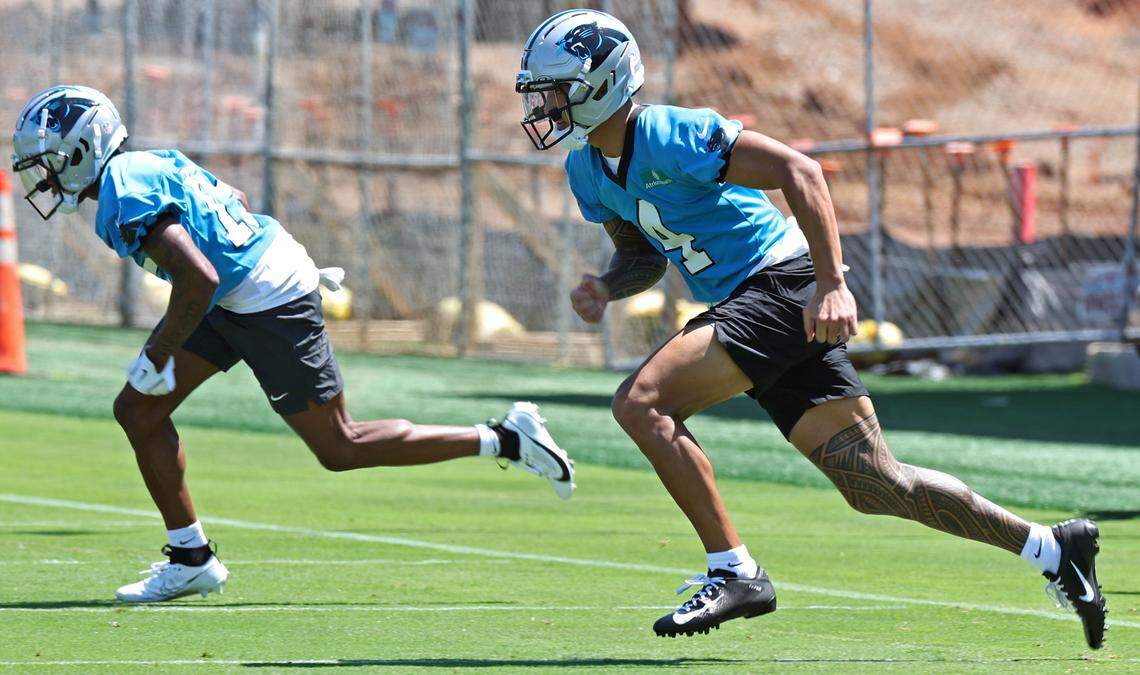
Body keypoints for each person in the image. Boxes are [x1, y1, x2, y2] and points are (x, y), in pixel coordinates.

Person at [515, 9, 1106, 647]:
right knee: (875, 483)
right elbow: (642, 255)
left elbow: (801, 171)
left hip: (780, 285)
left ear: (601, 83)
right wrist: (608, 286)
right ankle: (1052, 548)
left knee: (642, 403)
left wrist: (831, 284)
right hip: (754, 304)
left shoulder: (669, 132)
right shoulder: (586, 170)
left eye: (555, 90)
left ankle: (735, 571)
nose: (544, 106)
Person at [10, 85, 575, 603]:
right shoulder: (147, 164)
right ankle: (191, 558)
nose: (45, 178)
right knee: (139, 409)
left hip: (263, 297)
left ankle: (505, 438)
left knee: (340, 446)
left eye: (49, 162)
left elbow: (198, 278)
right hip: (239, 287)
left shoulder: (121, 191)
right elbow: (228, 202)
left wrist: (156, 352)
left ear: (81, 149)